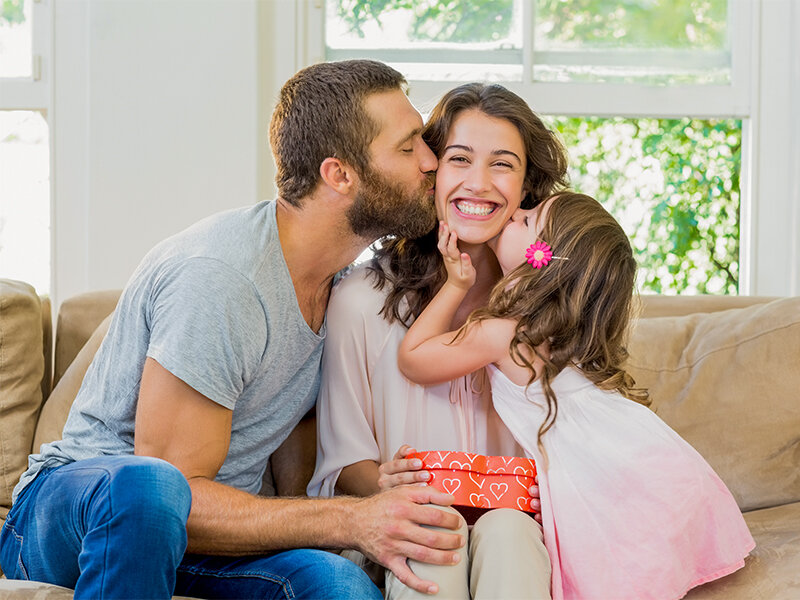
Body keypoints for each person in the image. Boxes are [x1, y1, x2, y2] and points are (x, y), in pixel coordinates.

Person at [0, 60, 467, 599]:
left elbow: (296, 420)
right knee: (150, 489)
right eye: (409, 148)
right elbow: (174, 493)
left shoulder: (344, 283)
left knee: (337, 584)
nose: (433, 161)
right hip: (79, 515)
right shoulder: (222, 281)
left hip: (204, 547)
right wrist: (347, 519)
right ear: (339, 175)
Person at [397, 192, 756, 599]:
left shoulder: (504, 333)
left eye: (528, 220)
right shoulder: (563, 337)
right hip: (632, 455)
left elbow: (413, 359)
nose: (516, 210)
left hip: (606, 467)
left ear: (542, 261)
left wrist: (456, 284)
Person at [308, 82, 569, 598]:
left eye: (502, 164)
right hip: (408, 531)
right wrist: (391, 483)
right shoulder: (360, 301)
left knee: (508, 529)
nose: (478, 184)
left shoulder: (551, 309)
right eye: (459, 159)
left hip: (517, 532)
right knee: (433, 530)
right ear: (430, 172)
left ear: (526, 185)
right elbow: (343, 465)